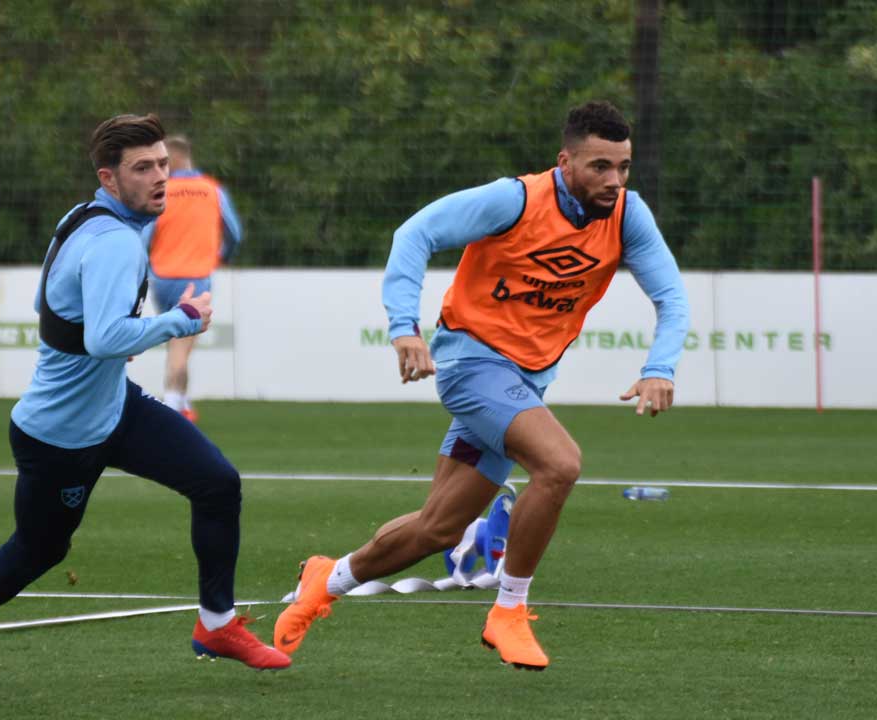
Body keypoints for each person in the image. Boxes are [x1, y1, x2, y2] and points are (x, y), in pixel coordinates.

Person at [272, 101, 689, 670]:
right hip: (471, 365)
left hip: (523, 382)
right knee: (560, 464)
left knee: (437, 528)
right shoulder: (513, 199)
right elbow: (414, 233)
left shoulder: (628, 215)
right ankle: (509, 610)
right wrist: (403, 329)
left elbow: (671, 298)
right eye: (599, 167)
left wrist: (660, 366)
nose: (613, 180)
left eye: (623, 167)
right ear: (564, 161)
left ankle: (327, 579)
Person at [0, 114, 289, 685]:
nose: (160, 177)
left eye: (164, 163)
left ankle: (216, 624)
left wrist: (113, 344)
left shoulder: (86, 218)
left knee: (217, 483)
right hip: (60, 435)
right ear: (109, 178)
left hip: (115, 410)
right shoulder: (116, 240)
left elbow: (51, 307)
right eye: (143, 168)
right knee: (40, 550)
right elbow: (101, 337)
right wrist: (179, 320)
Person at [146, 135, 243, 423]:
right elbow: (234, 233)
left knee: (175, 341)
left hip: (161, 278)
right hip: (195, 278)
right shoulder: (212, 190)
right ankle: (172, 410)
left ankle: (183, 402)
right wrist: (222, 256)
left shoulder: (161, 192)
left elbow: (144, 236)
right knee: (181, 347)